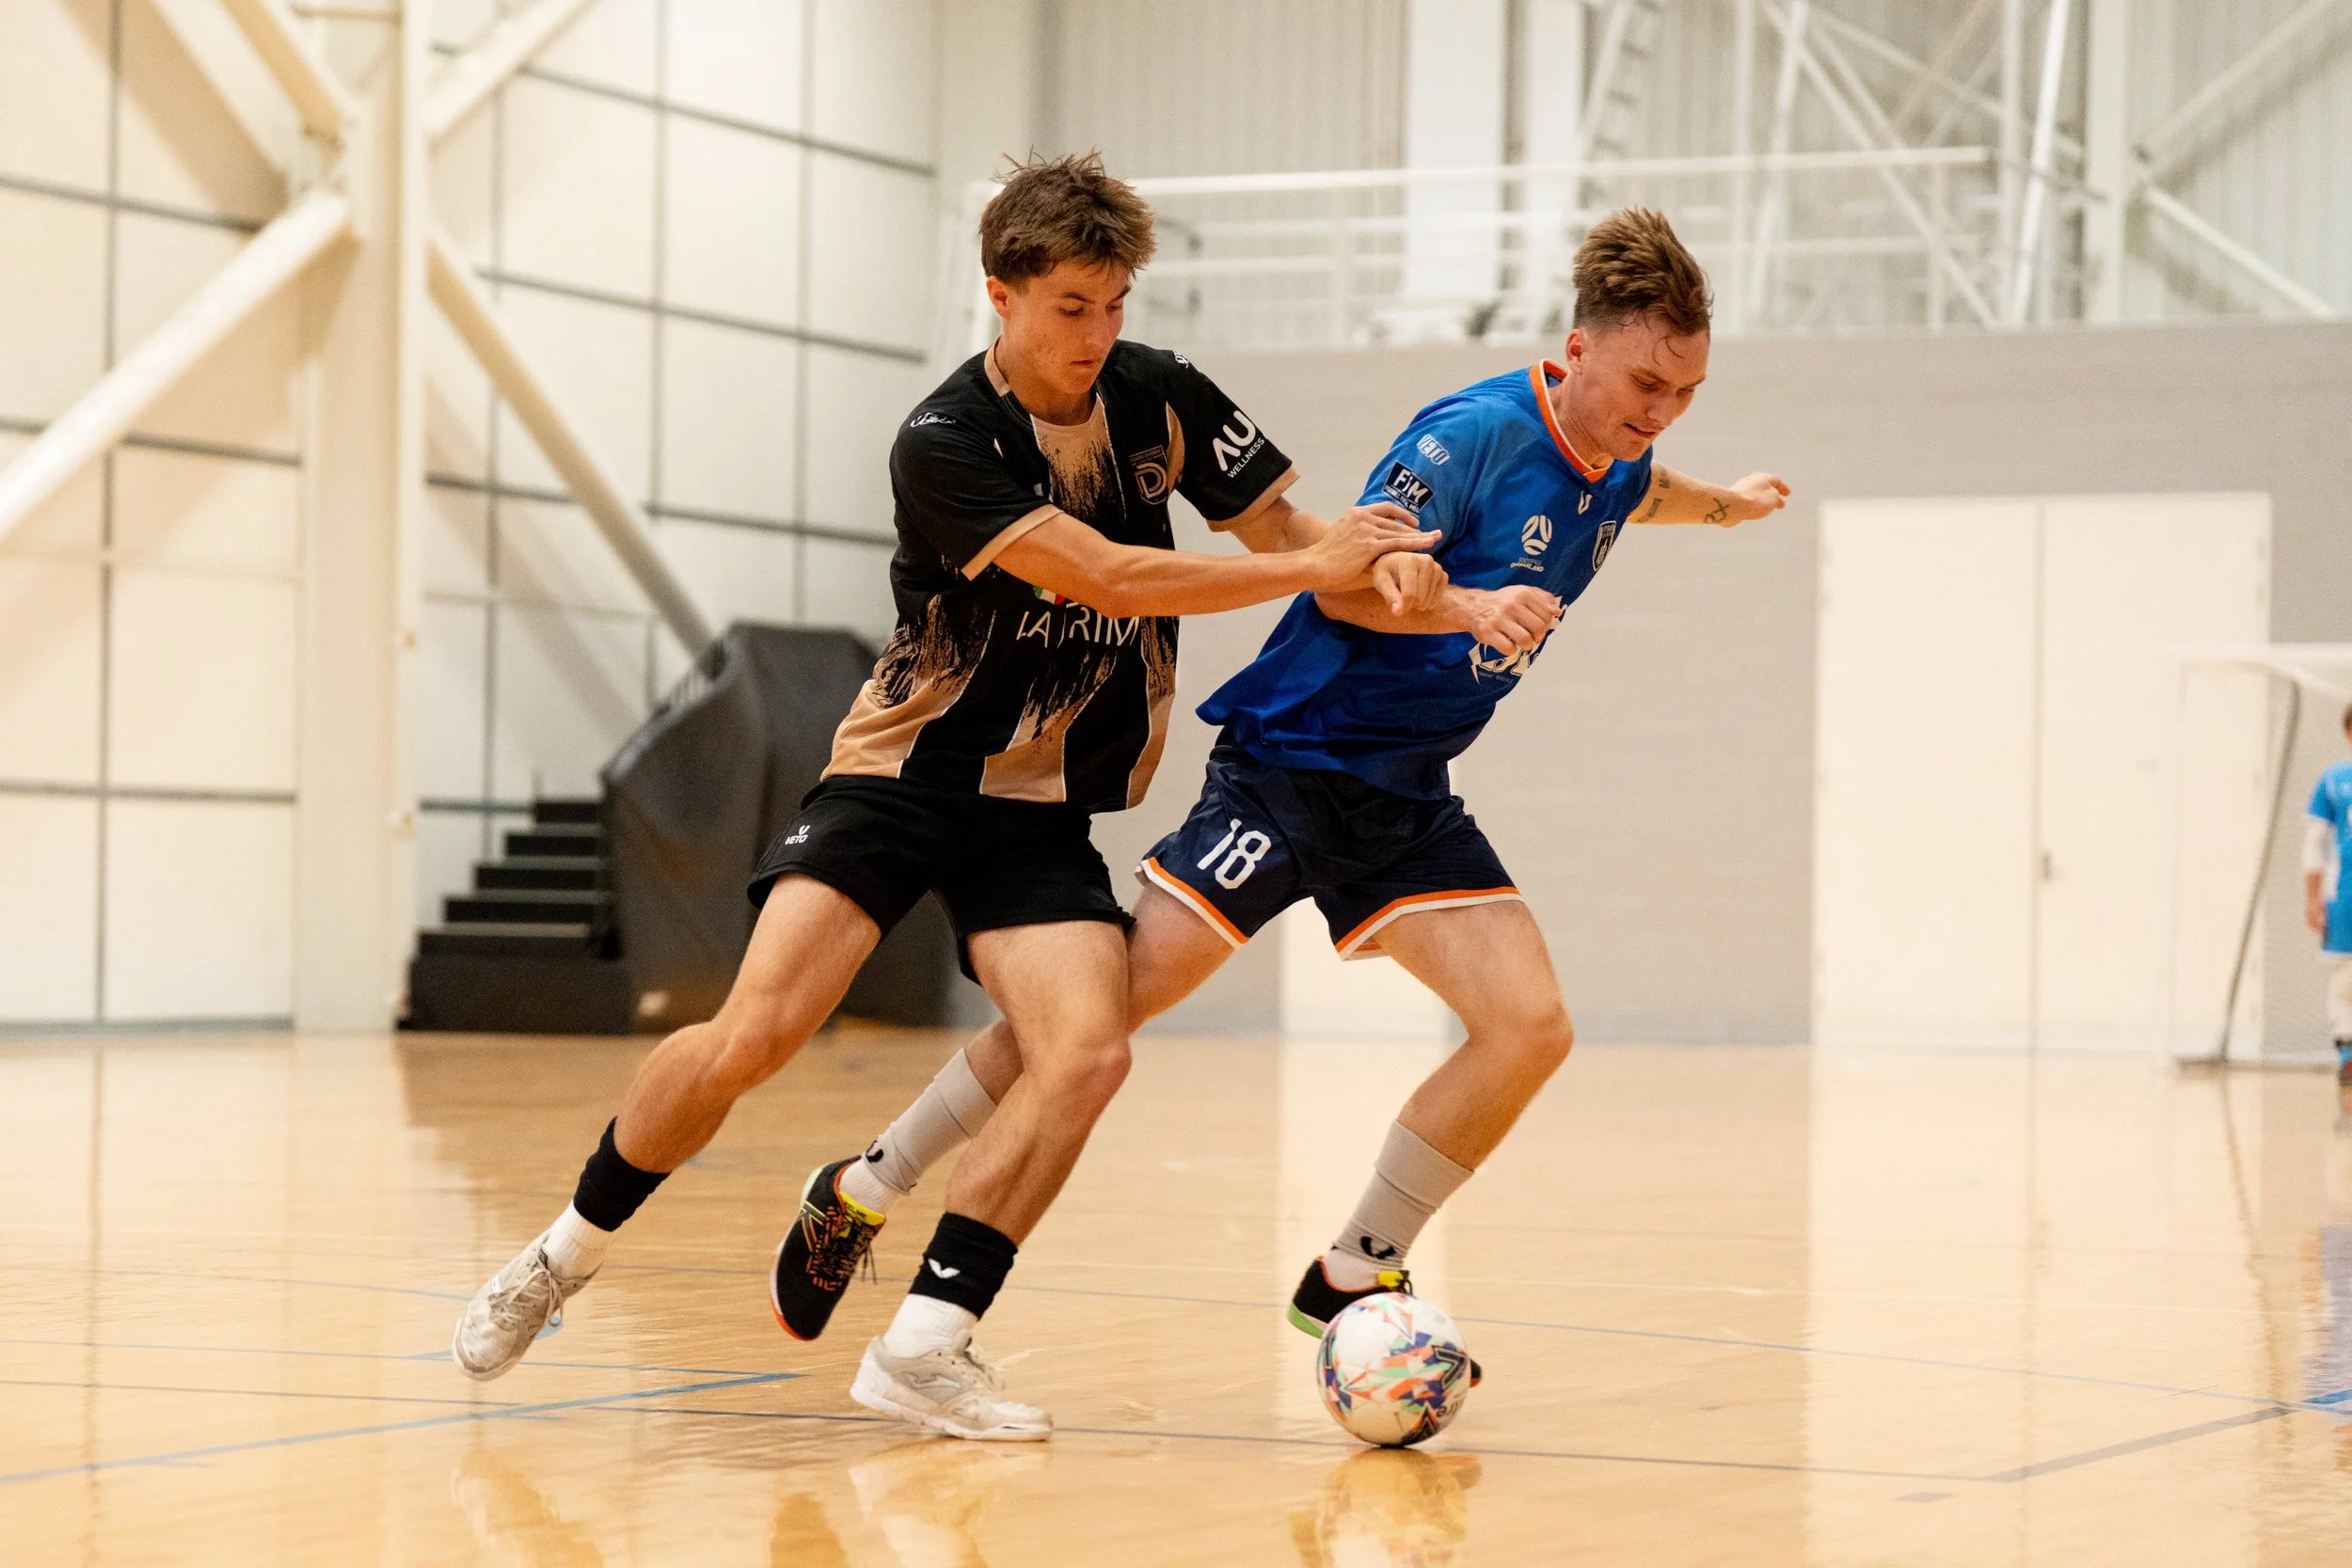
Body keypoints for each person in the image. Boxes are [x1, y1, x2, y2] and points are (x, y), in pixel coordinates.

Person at [450, 152, 1444, 1443]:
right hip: (899, 780)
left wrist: (1424, 591)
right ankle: (564, 1250)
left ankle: (927, 1339)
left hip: (1042, 812)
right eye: (1071, 306)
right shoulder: (943, 439)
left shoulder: (1162, 398)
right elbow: (1108, 575)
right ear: (1001, 294)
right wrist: (1316, 568)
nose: (1099, 334)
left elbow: (1292, 533)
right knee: (754, 1033)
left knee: (1086, 1052)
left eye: (1117, 304)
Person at [784, 207, 1788, 1391]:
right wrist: (1464, 603)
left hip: (1405, 796)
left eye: (1686, 388)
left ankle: (1358, 1266)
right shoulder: (1470, 434)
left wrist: (1725, 501)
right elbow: (1360, 581)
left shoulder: (1618, 447)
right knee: (1090, 1025)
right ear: (1577, 350)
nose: (1660, 408)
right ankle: (869, 1183)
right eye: (1644, 381)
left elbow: (1638, 488)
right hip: (1292, 764)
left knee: (1529, 1026)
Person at [2305, 704, 2352, 1085]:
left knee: (2343, 977)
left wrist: (2312, 897)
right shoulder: (2332, 780)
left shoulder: (2333, 779)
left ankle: (2348, 1053)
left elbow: (2313, 844)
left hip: (2341, 895)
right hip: (2342, 895)